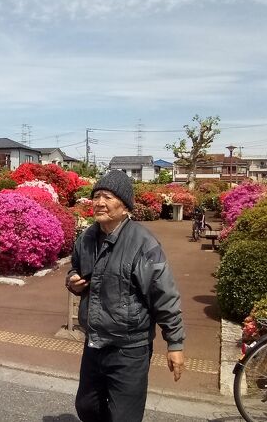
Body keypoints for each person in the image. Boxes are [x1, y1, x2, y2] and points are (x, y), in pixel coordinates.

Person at [65, 170, 185, 422]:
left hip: (129, 348)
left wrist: (174, 343)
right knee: (86, 406)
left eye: (107, 197)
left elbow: (163, 295)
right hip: (94, 342)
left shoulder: (143, 244)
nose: (99, 203)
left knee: (124, 417)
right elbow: (75, 269)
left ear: (125, 206)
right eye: (96, 196)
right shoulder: (86, 239)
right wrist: (73, 282)